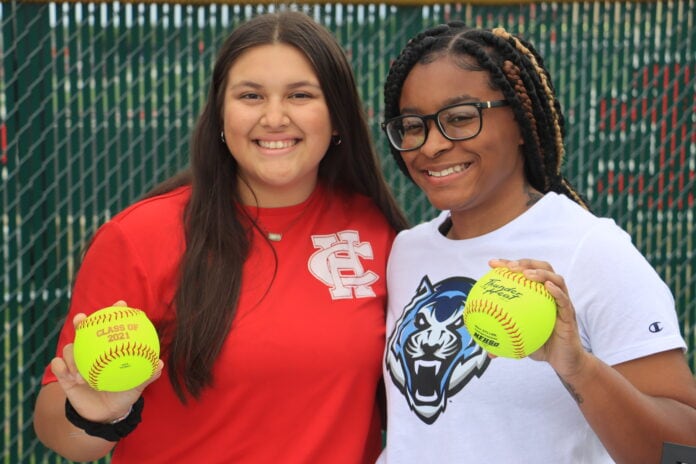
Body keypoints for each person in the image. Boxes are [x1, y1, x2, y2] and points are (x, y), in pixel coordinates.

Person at [33, 11, 408, 463]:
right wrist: (100, 416)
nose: (274, 117)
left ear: (337, 117)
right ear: (219, 114)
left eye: (300, 94)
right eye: (250, 95)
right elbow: (61, 430)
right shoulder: (138, 238)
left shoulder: (377, 230)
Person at [378, 22, 696, 463]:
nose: (430, 145)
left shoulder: (591, 248)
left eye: (461, 118)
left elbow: (683, 451)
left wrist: (579, 368)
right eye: (413, 125)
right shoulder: (406, 251)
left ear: (523, 121)